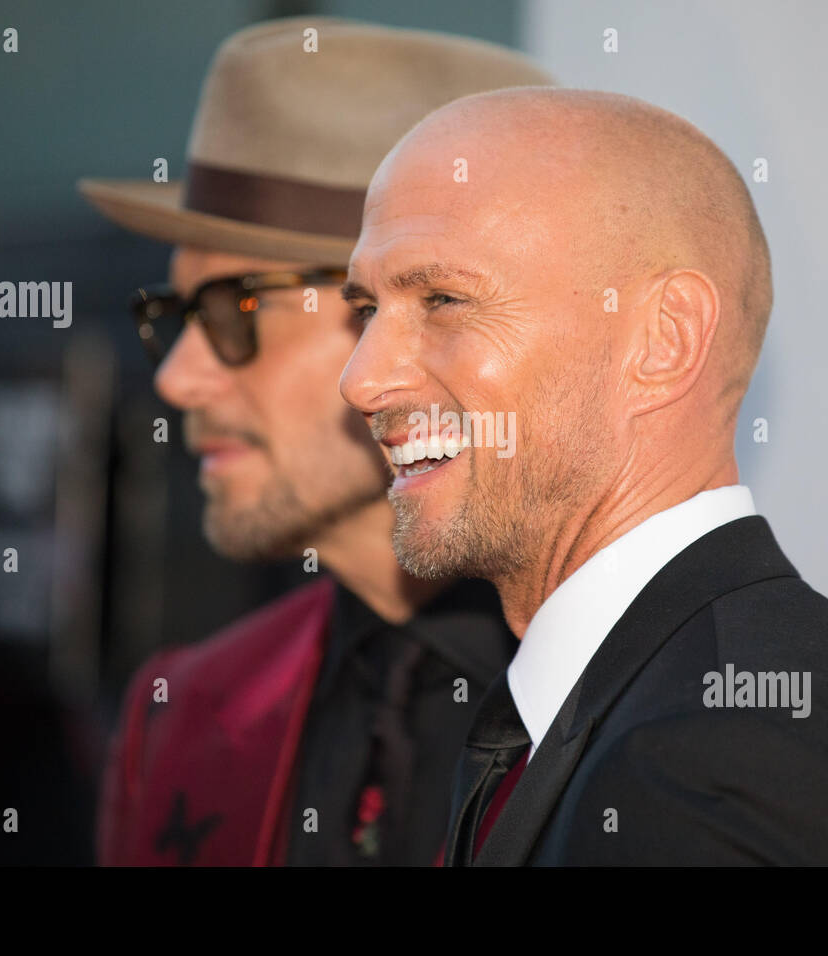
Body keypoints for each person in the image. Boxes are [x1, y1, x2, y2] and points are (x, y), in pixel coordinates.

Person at [338, 88, 828, 865]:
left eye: (443, 299)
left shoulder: (708, 773)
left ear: (665, 341)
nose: (362, 378)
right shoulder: (659, 702)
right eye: (367, 308)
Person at [79, 19, 553, 866]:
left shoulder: (690, 710)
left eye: (235, 308)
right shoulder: (182, 716)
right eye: (176, 317)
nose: (178, 379)